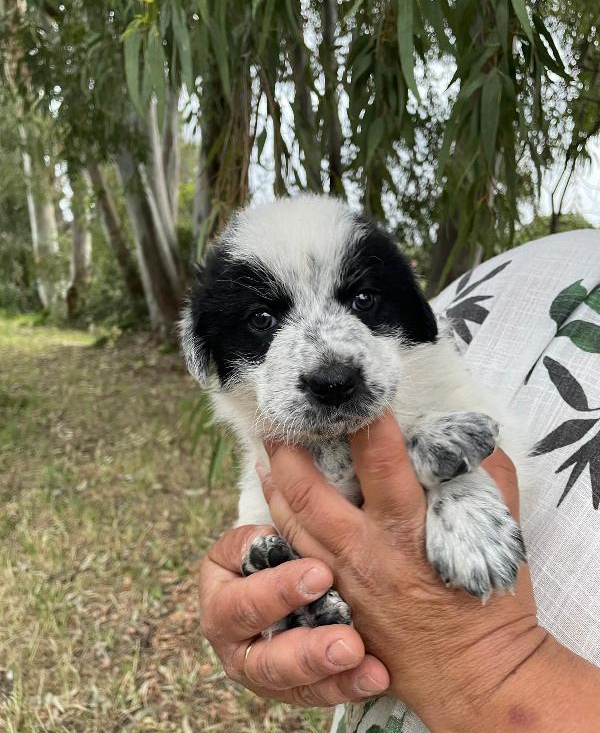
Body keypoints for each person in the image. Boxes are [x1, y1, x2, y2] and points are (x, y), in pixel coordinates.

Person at [199, 228, 600, 732]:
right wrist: (266, 596)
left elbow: (496, 442)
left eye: (363, 299)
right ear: (204, 351)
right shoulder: (532, 266)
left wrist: (488, 660)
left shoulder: (425, 362)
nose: (330, 366)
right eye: (262, 319)